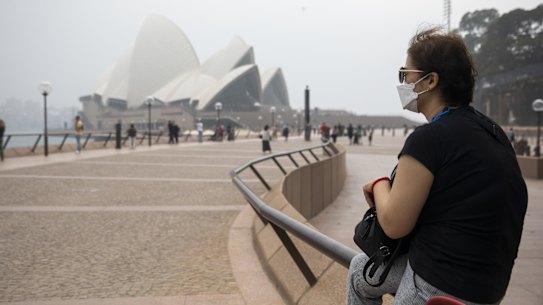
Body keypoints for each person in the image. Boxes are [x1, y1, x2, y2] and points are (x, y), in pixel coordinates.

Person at [346, 27, 527, 305]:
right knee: (361, 270)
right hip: (487, 287)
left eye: (406, 74)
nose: (403, 82)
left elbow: (394, 224)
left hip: (435, 288)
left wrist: (381, 185)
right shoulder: (492, 131)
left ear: (430, 81)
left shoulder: (428, 139)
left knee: (366, 272)